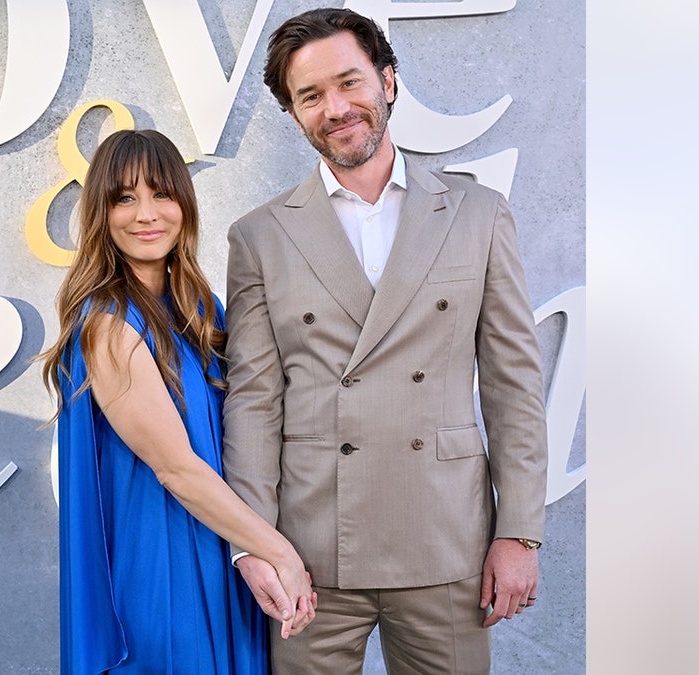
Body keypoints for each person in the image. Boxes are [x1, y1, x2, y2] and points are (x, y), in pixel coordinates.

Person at [222, 8, 549, 673]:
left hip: (445, 538)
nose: (336, 108)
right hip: (309, 549)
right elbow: (254, 401)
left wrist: (518, 531)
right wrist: (253, 542)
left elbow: (515, 384)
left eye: (350, 82)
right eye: (311, 96)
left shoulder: (477, 214)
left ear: (388, 82)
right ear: (293, 114)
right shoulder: (259, 236)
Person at [39, 129, 315, 674]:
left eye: (162, 193)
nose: (146, 214)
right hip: (160, 571)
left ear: (184, 205)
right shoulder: (108, 325)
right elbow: (177, 469)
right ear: (102, 213)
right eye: (124, 198)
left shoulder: (200, 308)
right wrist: (282, 553)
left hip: (221, 548)